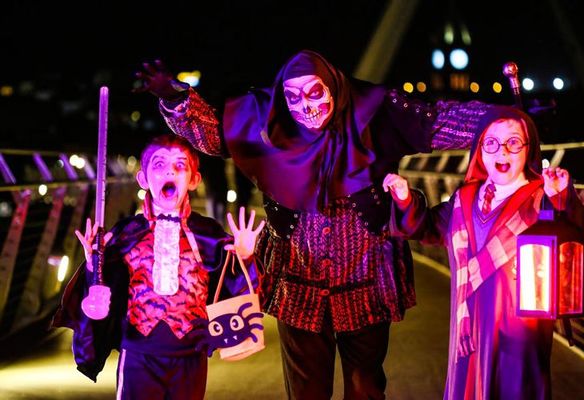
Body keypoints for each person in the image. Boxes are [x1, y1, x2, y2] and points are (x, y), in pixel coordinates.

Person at [133, 49, 498, 399]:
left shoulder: (375, 113)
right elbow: (214, 134)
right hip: (297, 286)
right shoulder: (269, 120)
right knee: (306, 391)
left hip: (366, 280)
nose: (306, 107)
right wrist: (172, 97)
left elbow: (441, 121)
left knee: (365, 387)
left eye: (314, 93)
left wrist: (507, 120)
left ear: (333, 87)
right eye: (293, 98)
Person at [383, 106, 584, 400]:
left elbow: (582, 242)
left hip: (519, 332)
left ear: (528, 148)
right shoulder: (465, 199)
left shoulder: (541, 197)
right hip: (467, 327)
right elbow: (429, 228)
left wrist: (562, 198)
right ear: (480, 150)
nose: (502, 153)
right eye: (491, 143)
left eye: (513, 142)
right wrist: (406, 198)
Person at [51, 134, 265, 399]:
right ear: (143, 179)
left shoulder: (207, 233)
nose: (170, 171)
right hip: (138, 352)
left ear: (194, 179)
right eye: (159, 164)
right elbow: (101, 291)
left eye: (180, 165)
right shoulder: (126, 233)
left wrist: (244, 257)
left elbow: (240, 287)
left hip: (191, 353)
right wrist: (95, 266)